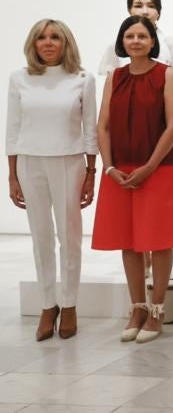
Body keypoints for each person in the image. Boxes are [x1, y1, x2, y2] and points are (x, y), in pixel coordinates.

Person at [93, 16, 173, 343]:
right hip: (120, 169)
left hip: (160, 168)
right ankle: (137, 308)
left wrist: (148, 167)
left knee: (158, 240)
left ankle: (157, 309)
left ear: (152, 41)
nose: (135, 41)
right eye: (129, 35)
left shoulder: (168, 75)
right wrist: (108, 166)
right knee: (128, 241)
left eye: (142, 36)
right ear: (122, 41)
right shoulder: (113, 78)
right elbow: (102, 126)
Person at [7, 20, 97, 340]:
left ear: (65, 43)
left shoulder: (82, 79)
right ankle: (48, 304)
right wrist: (12, 176)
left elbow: (90, 129)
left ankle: (69, 303)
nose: (48, 42)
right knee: (40, 235)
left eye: (55, 37)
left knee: (69, 236)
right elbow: (13, 129)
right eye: (41, 37)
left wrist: (91, 172)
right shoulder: (19, 79)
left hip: (69, 162)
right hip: (30, 164)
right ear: (33, 43)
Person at [96, 0, 173, 78]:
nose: (145, 12)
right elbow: (112, 90)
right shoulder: (115, 47)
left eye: (151, 6)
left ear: (158, 13)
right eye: (138, 6)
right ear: (129, 11)